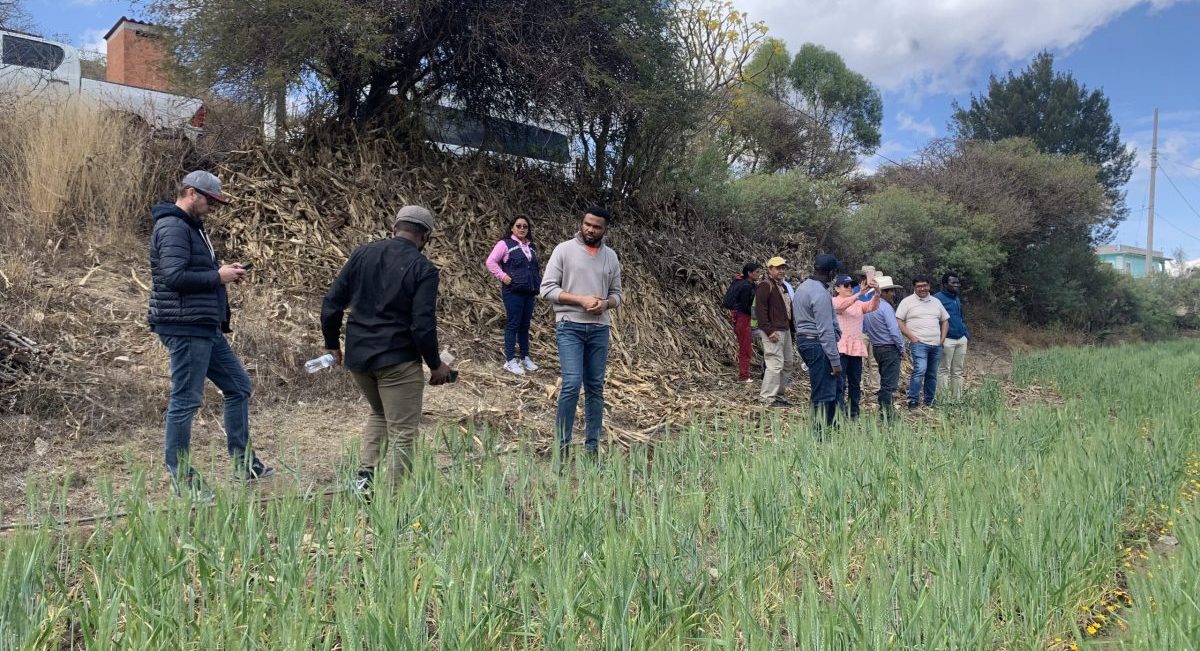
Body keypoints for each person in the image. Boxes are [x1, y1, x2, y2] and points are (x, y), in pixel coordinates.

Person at [148, 170, 272, 497]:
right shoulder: (173, 226)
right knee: (186, 400)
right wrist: (218, 276)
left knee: (239, 386)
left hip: (203, 326)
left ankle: (244, 464)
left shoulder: (190, 227)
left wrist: (224, 272)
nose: (214, 206)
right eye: (210, 200)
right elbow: (174, 276)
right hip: (185, 326)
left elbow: (192, 271)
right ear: (191, 193)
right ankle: (183, 479)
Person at [321, 205, 453, 498]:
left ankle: (363, 484)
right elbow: (422, 325)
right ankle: (392, 502)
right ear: (425, 237)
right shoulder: (424, 269)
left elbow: (331, 303)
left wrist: (332, 345)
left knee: (380, 413)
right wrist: (435, 365)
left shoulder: (362, 254)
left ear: (395, 228)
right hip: (397, 360)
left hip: (358, 358)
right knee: (403, 433)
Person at [540, 207, 623, 458]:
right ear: (582, 223)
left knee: (596, 387)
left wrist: (605, 304)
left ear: (605, 229)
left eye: (596, 226)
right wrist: (581, 300)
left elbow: (617, 294)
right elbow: (547, 289)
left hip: (599, 328)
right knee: (572, 384)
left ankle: (592, 446)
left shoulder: (611, 257)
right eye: (587, 224)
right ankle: (562, 447)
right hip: (569, 326)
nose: (590, 229)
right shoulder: (563, 250)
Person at [485, 215, 542, 375]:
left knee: (525, 325)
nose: (522, 229)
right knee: (513, 324)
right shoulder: (504, 244)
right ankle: (510, 360)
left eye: (525, 226)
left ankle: (525, 357)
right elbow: (491, 262)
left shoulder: (531, 247)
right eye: (519, 226)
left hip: (529, 292)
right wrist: (503, 277)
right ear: (512, 228)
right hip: (513, 292)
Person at [793, 254, 843, 429]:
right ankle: (819, 435)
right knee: (824, 392)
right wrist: (835, 362)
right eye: (835, 272)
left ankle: (831, 428)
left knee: (825, 387)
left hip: (804, 341)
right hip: (817, 344)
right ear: (830, 273)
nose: (835, 275)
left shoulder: (802, 288)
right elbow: (825, 330)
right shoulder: (820, 293)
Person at [896, 274, 949, 409]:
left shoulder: (936, 302)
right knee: (920, 370)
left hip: (936, 344)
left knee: (932, 373)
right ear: (914, 287)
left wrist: (942, 340)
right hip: (919, 343)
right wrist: (912, 337)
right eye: (919, 286)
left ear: (929, 286)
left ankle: (929, 400)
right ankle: (913, 400)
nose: (922, 289)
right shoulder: (907, 302)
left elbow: (945, 321)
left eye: (924, 285)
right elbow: (899, 321)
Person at [833, 274, 879, 418]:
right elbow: (841, 307)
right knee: (840, 383)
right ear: (837, 288)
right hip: (841, 347)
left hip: (855, 347)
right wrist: (859, 293)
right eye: (846, 285)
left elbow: (871, 306)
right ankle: (839, 412)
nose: (849, 288)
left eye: (851, 286)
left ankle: (853, 412)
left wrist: (877, 293)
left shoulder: (857, 303)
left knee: (855, 383)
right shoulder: (834, 300)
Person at [863, 275, 907, 422]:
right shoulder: (886, 308)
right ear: (883, 292)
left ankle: (884, 409)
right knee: (889, 384)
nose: (893, 294)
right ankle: (887, 414)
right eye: (890, 291)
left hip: (877, 347)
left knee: (884, 381)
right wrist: (902, 348)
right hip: (889, 348)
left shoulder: (869, 307)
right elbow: (894, 332)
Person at [755, 256, 795, 407]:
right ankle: (767, 398)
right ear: (770, 269)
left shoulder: (782, 286)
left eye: (783, 268)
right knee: (774, 364)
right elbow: (760, 310)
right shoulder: (765, 286)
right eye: (778, 268)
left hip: (784, 329)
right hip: (773, 330)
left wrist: (792, 330)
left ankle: (779, 395)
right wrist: (769, 330)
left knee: (787, 363)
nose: (781, 271)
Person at [724, 262, 761, 383]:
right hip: (744, 319)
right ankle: (743, 376)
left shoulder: (751, 284)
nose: (759, 274)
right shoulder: (746, 286)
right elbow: (745, 306)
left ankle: (745, 374)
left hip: (745, 319)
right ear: (750, 273)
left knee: (746, 347)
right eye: (757, 272)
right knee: (745, 348)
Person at [935, 271, 969, 401]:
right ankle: (942, 399)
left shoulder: (956, 298)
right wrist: (941, 338)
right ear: (945, 284)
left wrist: (965, 333)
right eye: (953, 282)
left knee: (958, 371)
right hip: (947, 339)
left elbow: (960, 317)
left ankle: (957, 399)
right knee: (943, 370)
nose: (956, 285)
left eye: (957, 282)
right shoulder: (937, 298)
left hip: (961, 339)